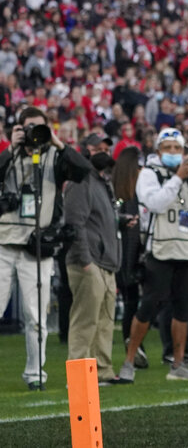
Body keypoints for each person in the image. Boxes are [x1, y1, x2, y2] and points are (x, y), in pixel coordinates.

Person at [0, 107, 91, 390]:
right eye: (28, 128)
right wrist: (9, 148)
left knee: (36, 317)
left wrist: (58, 143)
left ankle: (35, 375)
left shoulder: (54, 156)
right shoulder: (8, 155)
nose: (33, 134)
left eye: (40, 128)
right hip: (3, 241)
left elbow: (84, 171)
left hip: (37, 246)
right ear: (18, 129)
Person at [120, 128, 188, 382]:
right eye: (168, 148)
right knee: (149, 304)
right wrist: (178, 177)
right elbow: (156, 203)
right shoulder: (149, 174)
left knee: (184, 308)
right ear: (158, 151)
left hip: (187, 248)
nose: (173, 153)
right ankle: (129, 360)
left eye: (177, 148)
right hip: (160, 247)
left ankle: (178, 362)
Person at [63, 146, 125, 384]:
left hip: (106, 262)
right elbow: (73, 224)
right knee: (85, 320)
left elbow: (97, 222)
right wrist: (85, 261)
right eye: (97, 146)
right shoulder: (81, 181)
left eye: (106, 147)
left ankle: (102, 371)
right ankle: (78, 376)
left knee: (105, 321)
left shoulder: (102, 182)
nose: (104, 150)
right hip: (89, 262)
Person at [112, 147, 147, 368]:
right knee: (132, 302)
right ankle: (133, 347)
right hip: (127, 256)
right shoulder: (128, 195)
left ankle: (134, 346)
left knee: (132, 302)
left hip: (125, 255)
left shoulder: (121, 192)